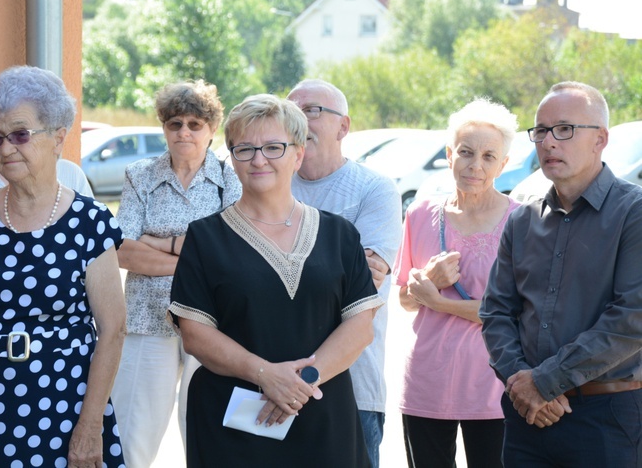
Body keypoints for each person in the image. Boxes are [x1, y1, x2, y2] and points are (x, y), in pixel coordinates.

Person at [168, 93, 383, 467]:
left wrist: (301, 383)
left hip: (321, 416)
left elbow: (361, 326)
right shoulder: (205, 237)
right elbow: (195, 333)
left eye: (273, 147)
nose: (258, 159)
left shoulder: (339, 234)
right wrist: (266, 375)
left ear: (298, 154)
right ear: (231, 158)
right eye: (244, 149)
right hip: (234, 424)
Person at [0, 65, 127, 467]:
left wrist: (90, 427)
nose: (5, 148)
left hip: (64, 410)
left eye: (20, 134)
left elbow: (112, 329)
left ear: (58, 137)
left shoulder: (90, 222)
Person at [481, 82, 642, 467]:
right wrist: (522, 382)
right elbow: (496, 313)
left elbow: (631, 319)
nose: (549, 142)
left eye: (565, 129)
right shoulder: (522, 220)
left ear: (600, 139)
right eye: (541, 130)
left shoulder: (633, 213)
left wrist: (545, 382)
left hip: (606, 416)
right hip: (527, 415)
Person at [111, 79, 241, 467]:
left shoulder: (230, 179)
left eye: (195, 124)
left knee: (207, 434)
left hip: (213, 321)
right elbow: (121, 250)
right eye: (175, 123)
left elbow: (232, 253)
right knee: (132, 433)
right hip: (146, 320)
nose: (184, 131)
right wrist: (191, 256)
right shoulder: (140, 175)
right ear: (164, 127)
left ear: (212, 129)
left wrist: (157, 242)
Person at [392, 98, 520, 468]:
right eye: (465, 152)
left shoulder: (521, 221)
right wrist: (429, 282)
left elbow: (512, 314)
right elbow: (404, 298)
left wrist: (439, 301)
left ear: (503, 164)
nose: (474, 165)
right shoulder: (419, 214)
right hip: (427, 382)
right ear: (449, 154)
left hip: (496, 385)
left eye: (488, 156)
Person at [287, 79, 401, 467]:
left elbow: (365, 283)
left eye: (313, 110)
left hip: (354, 387)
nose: (300, 119)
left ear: (344, 126)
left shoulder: (374, 189)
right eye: (291, 111)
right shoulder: (268, 186)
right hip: (273, 379)